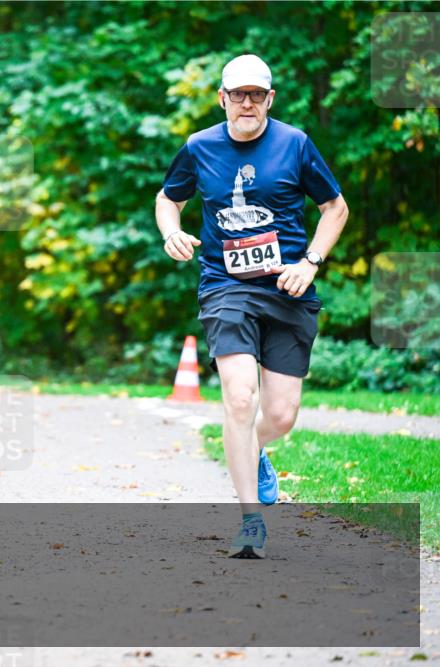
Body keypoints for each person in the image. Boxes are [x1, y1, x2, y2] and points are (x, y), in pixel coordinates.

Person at [155, 55, 348, 558]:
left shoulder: (295, 144)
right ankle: (250, 521)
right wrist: (172, 231)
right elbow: (167, 199)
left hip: (288, 287)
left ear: (269, 99)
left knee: (280, 414)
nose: (247, 103)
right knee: (240, 399)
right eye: (237, 94)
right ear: (221, 98)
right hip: (226, 285)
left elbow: (335, 208)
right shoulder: (199, 148)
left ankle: (255, 447)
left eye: (256, 95)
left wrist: (310, 262)